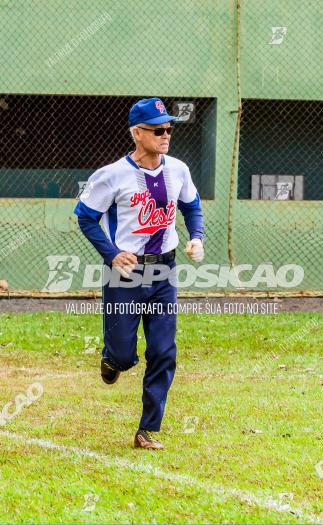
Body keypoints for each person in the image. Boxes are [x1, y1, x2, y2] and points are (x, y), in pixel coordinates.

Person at [74, 97, 205, 450]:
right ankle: (112, 360)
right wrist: (112, 254)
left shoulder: (178, 170)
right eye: (158, 129)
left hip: (164, 270)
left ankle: (147, 430)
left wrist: (197, 237)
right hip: (125, 275)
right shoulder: (112, 175)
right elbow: (85, 216)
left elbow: (192, 205)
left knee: (164, 350)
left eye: (169, 129)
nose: (166, 135)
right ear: (136, 133)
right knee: (122, 355)